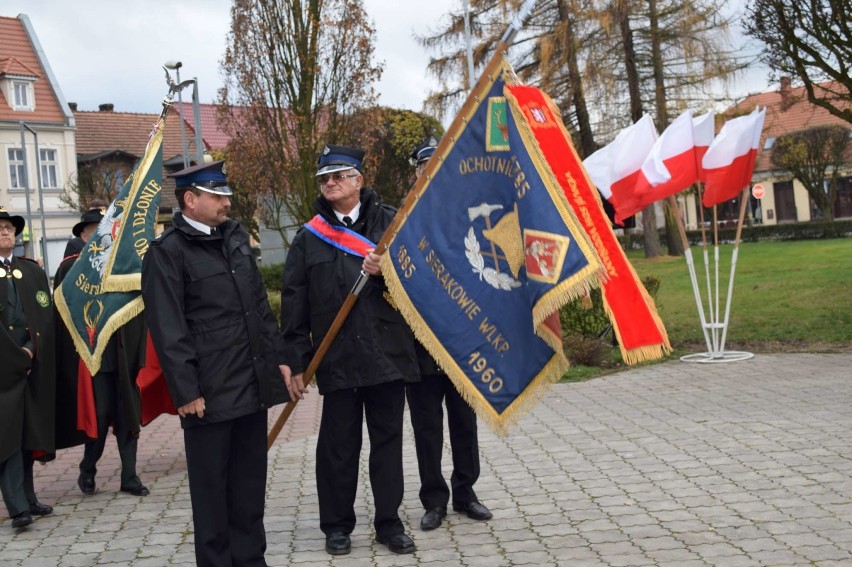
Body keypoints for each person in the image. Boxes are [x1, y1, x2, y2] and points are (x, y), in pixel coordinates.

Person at [141, 160, 289, 567]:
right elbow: (168, 329)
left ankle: (251, 560)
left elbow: (259, 307)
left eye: (226, 195)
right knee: (211, 496)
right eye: (217, 196)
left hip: (251, 383)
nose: (227, 203)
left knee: (248, 488)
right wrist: (186, 391)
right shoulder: (167, 253)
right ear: (190, 200)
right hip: (208, 394)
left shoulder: (236, 240)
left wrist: (278, 360)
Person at [280, 145, 419, 556]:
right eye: (325, 178)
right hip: (336, 356)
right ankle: (337, 526)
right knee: (338, 446)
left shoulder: (391, 224)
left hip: (387, 352)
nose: (330, 183)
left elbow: (420, 284)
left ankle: (389, 523)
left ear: (359, 180)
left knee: (387, 443)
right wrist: (296, 361)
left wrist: (388, 272)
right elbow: (294, 302)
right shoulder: (309, 238)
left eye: (339, 175)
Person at [401, 138, 493, 531]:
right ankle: (433, 499)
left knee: (463, 421)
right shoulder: (403, 219)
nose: (431, 172)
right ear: (416, 172)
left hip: (462, 339)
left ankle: (466, 493)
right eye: (425, 166)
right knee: (426, 426)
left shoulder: (470, 217)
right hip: (421, 340)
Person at [53, 209, 149, 497]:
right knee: (100, 413)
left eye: (105, 230)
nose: (101, 235)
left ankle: (129, 477)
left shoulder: (124, 266)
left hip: (124, 353)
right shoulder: (70, 269)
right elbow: (62, 315)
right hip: (93, 358)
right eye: (95, 230)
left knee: (128, 415)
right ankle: (88, 468)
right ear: (84, 236)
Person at [0, 207, 55, 529]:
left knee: (26, 431)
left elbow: (44, 316)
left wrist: (33, 348)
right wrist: (16, 354)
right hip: (3, 367)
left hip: (30, 363)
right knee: (6, 434)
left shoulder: (31, 271)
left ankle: (29, 497)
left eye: (9, 227)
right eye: (1, 228)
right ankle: (17, 507)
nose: (6, 232)